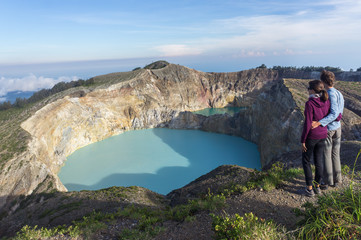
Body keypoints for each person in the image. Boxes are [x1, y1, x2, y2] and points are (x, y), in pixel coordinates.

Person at [312, 70, 344, 188]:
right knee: (335, 154)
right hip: (338, 128)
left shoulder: (330, 93)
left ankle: (327, 181)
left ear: (323, 81)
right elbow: (340, 113)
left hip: (330, 129)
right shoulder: (339, 93)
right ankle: (338, 180)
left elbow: (334, 113)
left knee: (326, 154)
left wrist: (319, 122)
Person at [301, 80, 330, 197]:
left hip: (312, 136)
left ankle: (309, 188)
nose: (307, 89)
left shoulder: (310, 103)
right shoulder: (326, 101)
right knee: (319, 161)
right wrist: (320, 123)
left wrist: (303, 140)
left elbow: (308, 124)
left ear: (312, 90)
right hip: (323, 134)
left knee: (306, 161)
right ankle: (317, 186)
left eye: (308, 88)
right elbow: (332, 116)